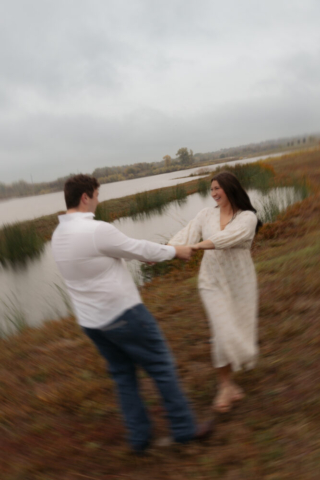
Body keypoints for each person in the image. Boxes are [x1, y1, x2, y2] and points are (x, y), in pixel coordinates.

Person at [51, 174, 213, 453]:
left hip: (92, 323)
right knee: (161, 365)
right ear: (85, 197)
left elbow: (124, 253)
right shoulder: (95, 230)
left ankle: (139, 440)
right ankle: (184, 429)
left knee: (123, 375)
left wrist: (148, 254)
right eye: (97, 195)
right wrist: (175, 251)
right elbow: (137, 248)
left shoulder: (58, 235)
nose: (98, 201)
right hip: (123, 314)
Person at [168, 171, 262, 413]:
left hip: (240, 282)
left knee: (237, 327)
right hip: (211, 281)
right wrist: (162, 252)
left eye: (218, 188)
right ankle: (225, 386)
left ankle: (231, 379)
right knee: (221, 330)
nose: (214, 193)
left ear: (231, 188)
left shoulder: (247, 217)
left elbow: (227, 238)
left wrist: (198, 246)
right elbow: (185, 234)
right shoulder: (205, 214)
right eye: (211, 190)